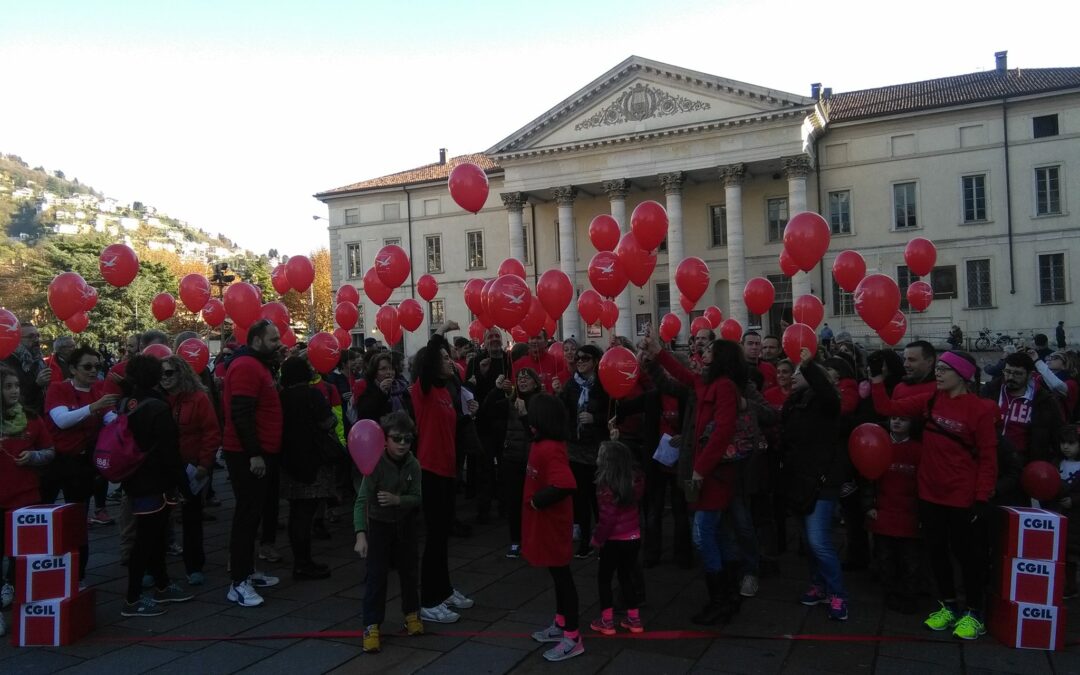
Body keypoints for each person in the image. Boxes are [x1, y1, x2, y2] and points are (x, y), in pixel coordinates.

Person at [870, 350, 998, 640]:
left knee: (968, 558)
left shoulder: (980, 409)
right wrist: (877, 379)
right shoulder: (930, 399)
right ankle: (949, 606)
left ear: (963, 375)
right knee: (937, 554)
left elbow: (989, 458)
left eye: (945, 369)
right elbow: (887, 408)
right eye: (937, 368)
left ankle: (974, 613)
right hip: (930, 494)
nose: (938, 373)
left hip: (963, 496)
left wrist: (981, 497)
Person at [640, 334, 747, 624]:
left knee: (703, 535)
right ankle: (729, 595)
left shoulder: (724, 387)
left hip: (713, 475)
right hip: (707, 472)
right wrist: (659, 353)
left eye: (710, 350)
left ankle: (720, 599)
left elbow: (722, 431)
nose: (704, 353)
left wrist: (700, 468)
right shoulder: (707, 383)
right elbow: (682, 375)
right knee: (719, 534)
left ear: (721, 358)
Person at [117, 354, 194, 617]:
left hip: (133, 477)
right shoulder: (158, 408)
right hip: (155, 481)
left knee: (155, 535)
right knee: (148, 539)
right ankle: (133, 598)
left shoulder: (126, 402)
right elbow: (170, 454)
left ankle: (161, 584)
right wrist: (185, 487)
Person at [411, 320, 474, 623]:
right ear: (432, 365)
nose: (451, 362)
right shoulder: (421, 390)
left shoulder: (445, 392)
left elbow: (449, 430)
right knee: (435, 537)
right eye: (445, 359)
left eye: (451, 358)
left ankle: (444, 589)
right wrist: (440, 333)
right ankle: (428, 600)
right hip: (430, 471)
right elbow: (430, 360)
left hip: (447, 471)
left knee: (443, 535)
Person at [42, 346, 118, 581]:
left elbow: (111, 420)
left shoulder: (98, 391)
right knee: (43, 512)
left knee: (78, 519)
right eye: (87, 366)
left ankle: (78, 574)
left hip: (81, 462)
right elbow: (62, 420)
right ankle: (34, 570)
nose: (93, 371)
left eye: (97, 366)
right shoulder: (58, 388)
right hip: (55, 461)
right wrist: (94, 407)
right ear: (73, 369)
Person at [783, 349, 848, 621]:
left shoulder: (827, 403)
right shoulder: (794, 403)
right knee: (809, 543)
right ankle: (818, 585)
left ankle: (837, 593)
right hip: (798, 480)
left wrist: (809, 365)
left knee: (819, 541)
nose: (794, 376)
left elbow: (828, 395)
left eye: (800, 373)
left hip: (822, 482)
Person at [223, 319, 284, 607]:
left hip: (260, 452)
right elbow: (241, 413)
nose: (279, 344)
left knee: (253, 514)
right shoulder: (247, 366)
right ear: (257, 341)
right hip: (248, 455)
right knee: (246, 517)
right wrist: (254, 454)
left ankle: (246, 571)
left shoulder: (258, 364)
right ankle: (238, 583)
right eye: (273, 340)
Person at [354, 411, 424, 653]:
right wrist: (361, 534)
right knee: (376, 576)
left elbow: (417, 497)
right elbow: (362, 501)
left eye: (408, 439)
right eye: (397, 438)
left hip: (404, 524)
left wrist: (398, 500)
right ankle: (371, 623)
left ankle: (412, 613)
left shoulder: (413, 464)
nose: (403, 444)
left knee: (409, 571)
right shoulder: (375, 463)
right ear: (385, 439)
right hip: (380, 524)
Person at [524, 393, 583, 661]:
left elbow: (565, 484)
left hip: (554, 524)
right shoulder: (541, 445)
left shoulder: (550, 447)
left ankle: (573, 636)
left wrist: (537, 501)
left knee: (563, 578)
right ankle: (561, 624)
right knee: (557, 576)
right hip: (544, 523)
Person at [0, 364, 56, 633]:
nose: (13, 391)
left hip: (26, 498)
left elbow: (49, 451)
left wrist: (33, 457)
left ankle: (26, 607)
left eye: (16, 386)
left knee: (23, 558)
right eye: (7, 386)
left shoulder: (32, 418)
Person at [159, 356, 219, 586]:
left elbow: (211, 431)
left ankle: (194, 564)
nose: (164, 378)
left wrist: (205, 463)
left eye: (169, 373)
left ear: (181, 373)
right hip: (164, 466)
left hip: (191, 465)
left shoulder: (198, 399)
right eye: (161, 374)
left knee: (192, 516)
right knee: (161, 516)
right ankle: (156, 566)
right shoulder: (158, 398)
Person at [278, 357, 336, 580]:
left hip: (289, 459)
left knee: (296, 513)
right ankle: (303, 563)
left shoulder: (282, 397)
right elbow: (327, 422)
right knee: (306, 513)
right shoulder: (312, 394)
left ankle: (301, 560)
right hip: (312, 458)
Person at [479, 366, 542, 558]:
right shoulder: (511, 401)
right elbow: (487, 410)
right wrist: (496, 389)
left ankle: (534, 538)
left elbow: (538, 432)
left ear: (535, 382)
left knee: (534, 501)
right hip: (512, 457)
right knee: (514, 501)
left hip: (534, 459)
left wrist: (525, 416)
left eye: (527, 377)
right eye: (519, 378)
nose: (522, 381)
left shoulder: (541, 402)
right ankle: (516, 540)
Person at [863, 416, 923, 614]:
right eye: (894, 418)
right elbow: (868, 478)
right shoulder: (878, 445)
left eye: (904, 419)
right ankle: (891, 594)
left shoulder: (918, 450)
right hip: (884, 510)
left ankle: (909, 596)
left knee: (911, 561)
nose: (897, 422)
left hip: (910, 512)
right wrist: (869, 504)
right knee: (885, 557)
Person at [553, 344, 608, 558]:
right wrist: (558, 394)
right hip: (575, 449)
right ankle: (585, 541)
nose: (580, 362)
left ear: (595, 361)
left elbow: (614, 412)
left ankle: (602, 540)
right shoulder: (571, 385)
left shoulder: (603, 385)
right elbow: (562, 411)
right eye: (577, 359)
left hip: (597, 449)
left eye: (585, 358)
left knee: (599, 499)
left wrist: (596, 419)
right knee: (581, 498)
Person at [588, 440, 646, 635]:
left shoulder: (606, 487)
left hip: (613, 540)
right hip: (633, 537)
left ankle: (606, 620)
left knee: (604, 578)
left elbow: (607, 519)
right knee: (626, 577)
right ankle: (634, 618)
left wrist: (597, 539)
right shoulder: (634, 481)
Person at [983, 352, 1064, 463]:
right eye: (1007, 372)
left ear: (1030, 375)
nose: (1011, 377)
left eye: (1017, 373)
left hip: (1024, 462)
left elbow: (1057, 433)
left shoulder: (1044, 401)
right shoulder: (990, 391)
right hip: (989, 457)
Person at [1, 322, 52, 414]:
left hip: (41, 414)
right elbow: (12, 397)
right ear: (17, 340)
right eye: (30, 336)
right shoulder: (7, 363)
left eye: (37, 336)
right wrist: (37, 384)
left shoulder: (39, 360)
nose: (36, 340)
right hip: (20, 418)